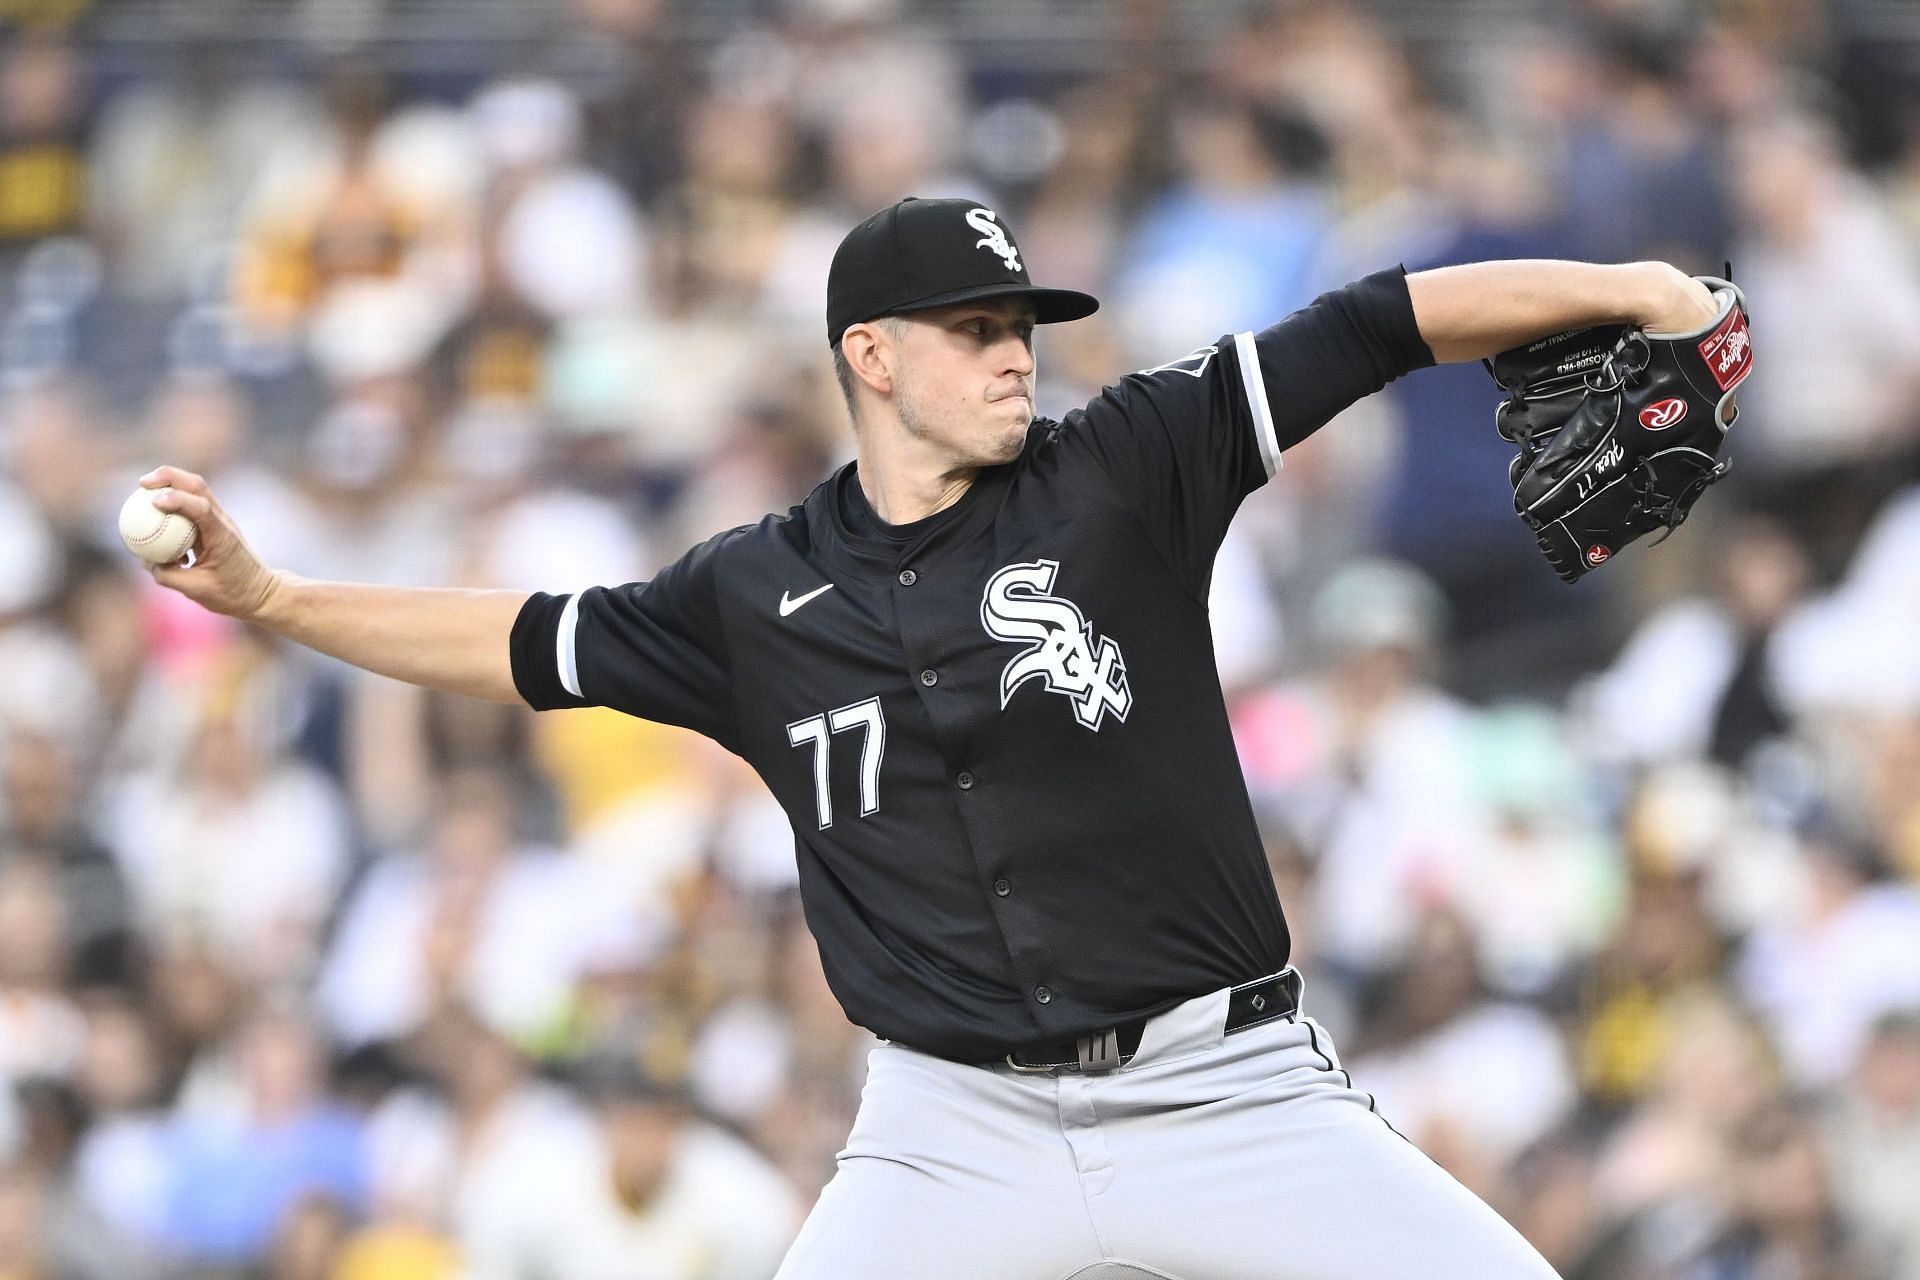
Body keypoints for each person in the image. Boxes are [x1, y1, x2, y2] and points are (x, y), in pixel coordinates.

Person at [141, 195, 1718, 1279]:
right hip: (950, 1128)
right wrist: (273, 596)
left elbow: (1375, 322)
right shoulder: (748, 595)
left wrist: (1633, 291)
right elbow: (517, 640)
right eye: (973, 326)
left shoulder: (1131, 464)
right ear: (870, 356)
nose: (1015, 349)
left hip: (1222, 1090)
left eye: (1021, 319)